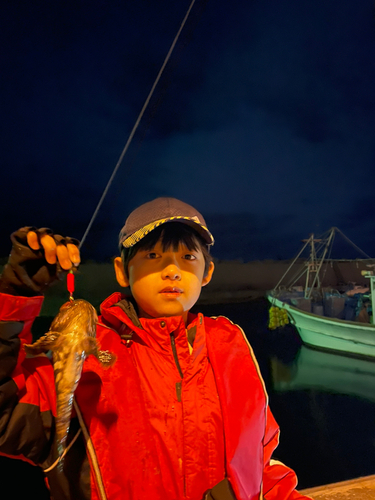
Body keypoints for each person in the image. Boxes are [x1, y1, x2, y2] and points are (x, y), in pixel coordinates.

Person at [0, 197, 310, 500]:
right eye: (152, 256)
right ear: (122, 271)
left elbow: (259, 466)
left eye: (188, 257)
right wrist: (18, 291)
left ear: (207, 273)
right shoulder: (90, 358)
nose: (172, 270)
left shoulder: (230, 346)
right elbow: (5, 416)